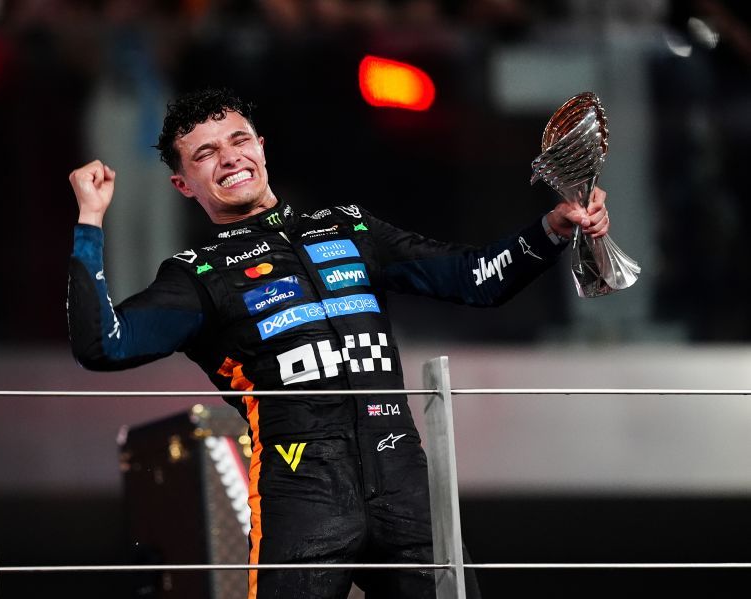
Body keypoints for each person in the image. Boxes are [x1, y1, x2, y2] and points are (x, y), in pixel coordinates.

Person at [67, 88, 609, 599]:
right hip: (300, 492)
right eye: (205, 154)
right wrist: (90, 220)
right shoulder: (194, 275)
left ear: (261, 147)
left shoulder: (349, 227)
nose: (230, 158)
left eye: (238, 140)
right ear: (183, 184)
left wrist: (553, 229)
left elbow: (475, 279)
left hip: (403, 480)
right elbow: (102, 345)